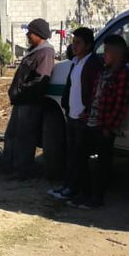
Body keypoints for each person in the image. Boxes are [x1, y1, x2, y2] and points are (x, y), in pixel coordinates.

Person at [69, 34, 129, 210]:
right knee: (81, 157)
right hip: (91, 122)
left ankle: (97, 198)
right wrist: (87, 114)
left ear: (116, 54)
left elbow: (120, 106)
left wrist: (108, 127)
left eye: (106, 51)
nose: (103, 55)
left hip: (104, 126)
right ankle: (84, 194)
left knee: (102, 164)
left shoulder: (123, 76)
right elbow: (95, 98)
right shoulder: (103, 72)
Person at [48, 26, 101, 202]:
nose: (74, 46)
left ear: (88, 45)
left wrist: (88, 111)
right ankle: (68, 187)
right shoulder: (76, 62)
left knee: (80, 157)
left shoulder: (92, 64)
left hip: (83, 118)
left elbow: (96, 91)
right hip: (72, 115)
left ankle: (78, 191)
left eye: (78, 43)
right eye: (73, 42)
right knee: (71, 155)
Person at [1, 18, 55, 179]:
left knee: (25, 137)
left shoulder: (45, 52)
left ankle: (22, 169)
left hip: (30, 102)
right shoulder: (34, 50)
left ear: (39, 34)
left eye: (31, 32)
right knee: (12, 134)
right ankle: (9, 165)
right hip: (21, 101)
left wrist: (21, 91)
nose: (28, 35)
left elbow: (40, 80)